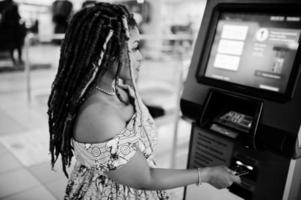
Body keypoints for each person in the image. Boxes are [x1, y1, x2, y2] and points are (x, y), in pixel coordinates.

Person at [47, 3, 241, 199]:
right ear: (105, 53)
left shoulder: (119, 89)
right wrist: (207, 174)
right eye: (134, 48)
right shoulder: (98, 115)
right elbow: (145, 178)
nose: (140, 56)